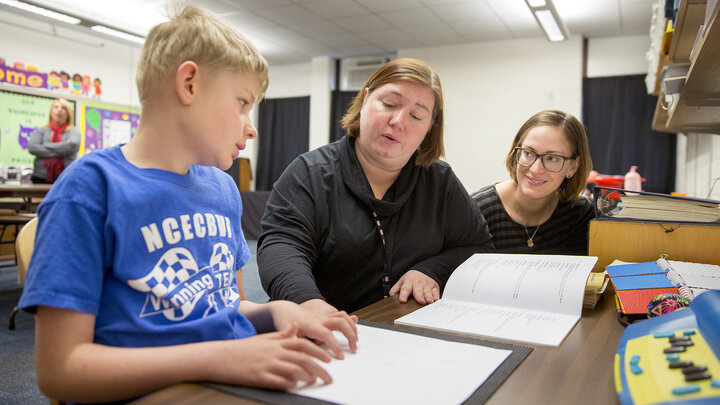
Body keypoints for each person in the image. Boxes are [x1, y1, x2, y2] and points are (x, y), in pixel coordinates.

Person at [18, 5, 357, 404]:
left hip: (226, 377)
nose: (251, 126)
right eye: (243, 103)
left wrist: (272, 312)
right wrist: (219, 358)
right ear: (190, 84)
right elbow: (60, 371)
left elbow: (222, 306)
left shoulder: (222, 190)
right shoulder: (91, 189)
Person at [258, 58, 494, 316]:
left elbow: (477, 247)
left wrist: (431, 269)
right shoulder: (309, 174)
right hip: (325, 330)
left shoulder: (440, 180)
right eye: (389, 104)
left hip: (407, 330)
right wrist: (307, 302)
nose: (398, 121)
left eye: (417, 116)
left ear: (429, 129)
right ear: (365, 99)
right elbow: (282, 246)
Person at [472, 110, 595, 255]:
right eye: (528, 153)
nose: (536, 169)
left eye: (552, 158)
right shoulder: (477, 211)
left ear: (573, 167)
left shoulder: (579, 215)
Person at [27, 98, 81, 184]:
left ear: (68, 113)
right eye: (56, 107)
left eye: (63, 108)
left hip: (66, 178)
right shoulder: (41, 131)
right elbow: (32, 148)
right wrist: (62, 151)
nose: (59, 110)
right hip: (40, 178)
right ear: (51, 112)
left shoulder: (74, 131)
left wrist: (46, 145)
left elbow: (72, 145)